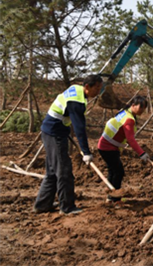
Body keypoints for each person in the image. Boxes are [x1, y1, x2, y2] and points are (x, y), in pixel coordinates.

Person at [34, 74, 103, 215]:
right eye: (97, 88)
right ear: (87, 86)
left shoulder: (77, 90)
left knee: (53, 172)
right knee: (64, 171)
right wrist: (86, 152)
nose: (98, 92)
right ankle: (67, 207)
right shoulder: (77, 101)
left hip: (53, 131)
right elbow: (79, 128)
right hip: (55, 133)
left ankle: (42, 204)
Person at [97, 96, 150, 203]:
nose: (142, 110)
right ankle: (115, 199)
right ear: (133, 105)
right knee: (118, 172)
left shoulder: (124, 113)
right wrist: (141, 153)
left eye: (144, 108)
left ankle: (110, 197)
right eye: (141, 107)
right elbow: (130, 139)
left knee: (113, 170)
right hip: (108, 147)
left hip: (105, 145)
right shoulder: (129, 119)